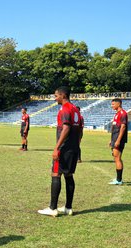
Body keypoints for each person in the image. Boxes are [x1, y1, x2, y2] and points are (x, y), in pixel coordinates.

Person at [38, 86, 81, 217]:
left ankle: (53, 208)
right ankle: (68, 207)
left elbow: (66, 128)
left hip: (64, 148)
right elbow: (79, 130)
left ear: (63, 95)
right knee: (68, 175)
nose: (55, 98)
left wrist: (57, 147)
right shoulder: (76, 110)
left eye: (56, 96)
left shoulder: (65, 109)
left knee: (56, 174)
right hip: (73, 148)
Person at [109, 98, 128, 185]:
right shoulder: (117, 114)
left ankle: (119, 180)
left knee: (117, 158)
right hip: (114, 138)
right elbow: (115, 128)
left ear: (118, 104)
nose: (112, 106)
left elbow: (123, 127)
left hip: (118, 139)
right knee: (116, 157)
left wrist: (118, 140)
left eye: (113, 104)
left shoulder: (123, 113)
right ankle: (118, 179)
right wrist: (111, 140)